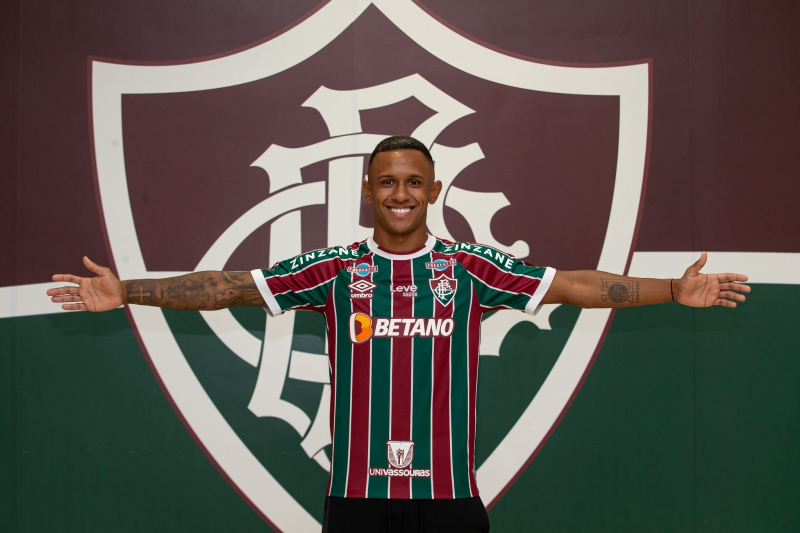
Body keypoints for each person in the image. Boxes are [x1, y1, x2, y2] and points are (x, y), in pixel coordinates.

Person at [47, 136, 750, 532]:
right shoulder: (334, 268)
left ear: (434, 190)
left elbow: (573, 284)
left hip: (449, 502)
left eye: (414, 181)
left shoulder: (468, 267)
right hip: (357, 503)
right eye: (387, 182)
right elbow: (229, 285)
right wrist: (128, 291)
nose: (401, 193)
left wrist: (671, 289)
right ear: (367, 191)